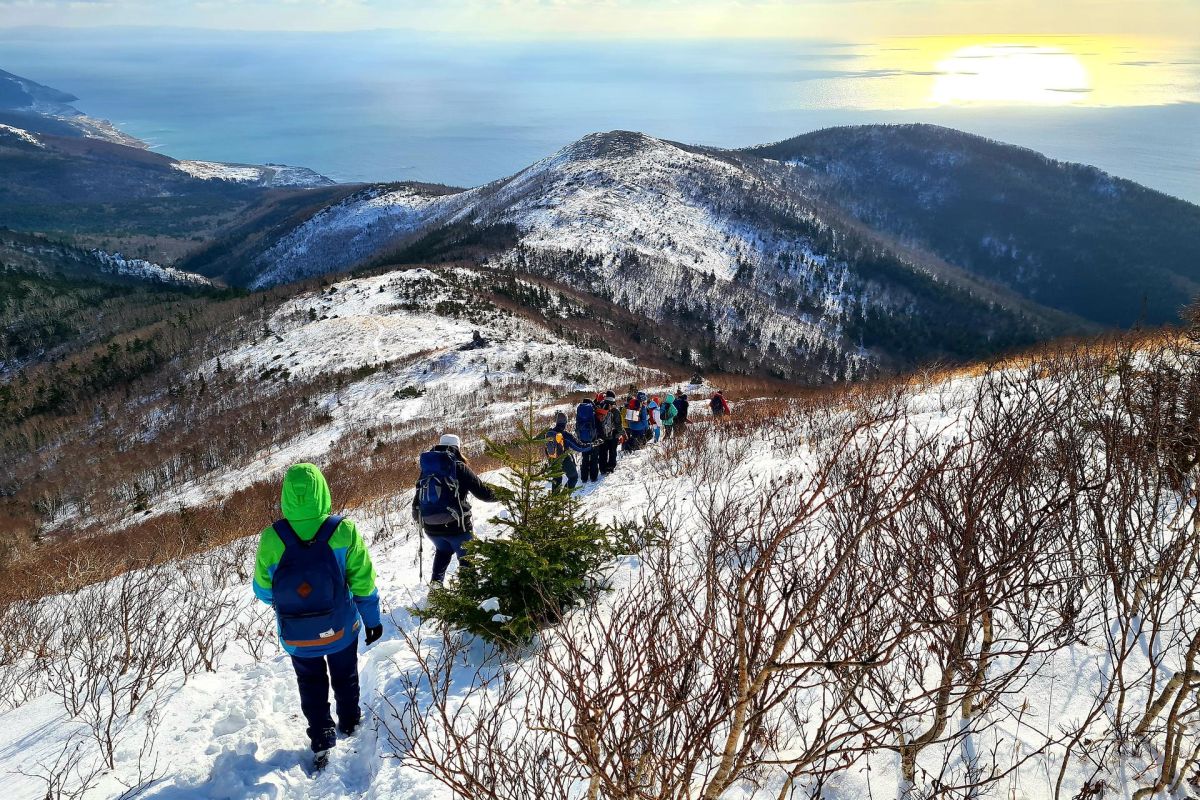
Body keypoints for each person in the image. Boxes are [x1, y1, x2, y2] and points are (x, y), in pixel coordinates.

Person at [253, 463, 382, 771]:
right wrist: (372, 620)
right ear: (323, 491)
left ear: (285, 496)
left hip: (297, 634)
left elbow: (262, 589)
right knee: (345, 675)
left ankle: (322, 735)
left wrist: (291, 605)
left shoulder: (273, 537)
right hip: (340, 628)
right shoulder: (343, 530)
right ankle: (349, 722)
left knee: (310, 682)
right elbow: (363, 582)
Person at [412, 433, 498, 586]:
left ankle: (436, 588)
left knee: (443, 551)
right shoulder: (458, 466)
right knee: (466, 557)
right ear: (458, 448)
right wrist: (504, 495)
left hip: (430, 527)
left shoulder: (428, 468)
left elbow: (417, 498)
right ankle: (468, 591)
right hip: (457, 527)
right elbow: (483, 493)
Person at [544, 410, 591, 491]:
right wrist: (591, 446)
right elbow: (579, 447)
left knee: (556, 479)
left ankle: (554, 501)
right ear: (565, 422)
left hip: (552, 459)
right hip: (564, 459)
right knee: (573, 477)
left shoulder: (549, 433)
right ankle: (564, 498)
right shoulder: (565, 435)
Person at [575, 395, 602, 483]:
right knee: (594, 458)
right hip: (593, 439)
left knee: (585, 457)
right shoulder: (593, 415)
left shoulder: (579, 415)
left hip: (583, 439)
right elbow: (598, 426)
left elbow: (577, 427)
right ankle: (593, 477)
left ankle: (584, 477)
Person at [596, 390, 621, 474]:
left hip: (602, 435)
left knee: (603, 452)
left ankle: (602, 468)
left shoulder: (600, 406)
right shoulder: (615, 409)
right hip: (613, 435)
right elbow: (618, 424)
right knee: (612, 451)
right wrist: (621, 433)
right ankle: (610, 467)